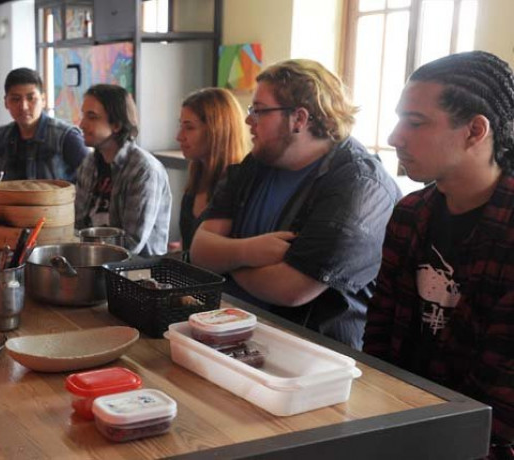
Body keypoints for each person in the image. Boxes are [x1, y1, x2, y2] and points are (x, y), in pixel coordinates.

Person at [363, 51, 514, 458]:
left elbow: (502, 403)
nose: (395, 137)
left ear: (475, 130)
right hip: (400, 422)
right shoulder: (411, 213)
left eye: (415, 122)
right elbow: (379, 333)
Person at [190, 59, 401, 349]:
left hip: (316, 356)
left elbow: (290, 289)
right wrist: (251, 251)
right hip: (236, 337)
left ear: (299, 118)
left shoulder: (359, 185)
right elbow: (200, 250)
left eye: (259, 111)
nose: (248, 120)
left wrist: (226, 259)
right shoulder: (257, 163)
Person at [74, 84, 172, 256]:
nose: (82, 124)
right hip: (93, 263)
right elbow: (78, 225)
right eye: (83, 115)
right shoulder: (89, 163)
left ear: (117, 125)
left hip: (137, 273)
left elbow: (131, 244)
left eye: (92, 117)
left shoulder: (143, 170)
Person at [0, 68, 89, 182]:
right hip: (10, 200)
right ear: (6, 102)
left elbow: (92, 178)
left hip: (56, 200)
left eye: (31, 98)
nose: (24, 106)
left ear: (43, 100)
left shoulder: (66, 136)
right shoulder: (2, 136)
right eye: (16, 99)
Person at [177, 88, 246, 252]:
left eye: (189, 127)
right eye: (181, 126)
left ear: (217, 131)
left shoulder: (240, 186)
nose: (179, 136)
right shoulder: (195, 182)